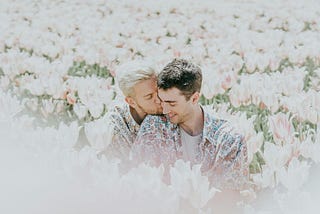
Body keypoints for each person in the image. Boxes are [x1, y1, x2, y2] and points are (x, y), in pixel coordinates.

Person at [133, 59, 249, 191]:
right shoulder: (153, 127)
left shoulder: (229, 140)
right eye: (162, 101)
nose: (164, 110)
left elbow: (230, 197)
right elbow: (137, 176)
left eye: (172, 103)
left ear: (194, 98)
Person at [93, 60, 163, 164]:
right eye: (149, 97)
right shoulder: (113, 128)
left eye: (159, 91)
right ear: (131, 102)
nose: (159, 99)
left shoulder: (170, 103)